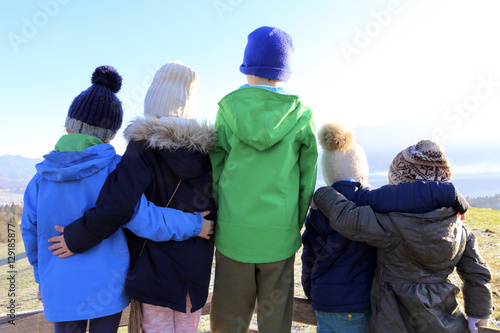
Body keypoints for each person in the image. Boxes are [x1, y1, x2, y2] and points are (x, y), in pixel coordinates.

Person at [21, 66, 212, 333]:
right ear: (110, 134)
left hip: (59, 287)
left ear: (68, 125)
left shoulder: (39, 180)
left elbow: (29, 233)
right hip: (106, 292)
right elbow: (142, 218)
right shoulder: (115, 169)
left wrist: (42, 278)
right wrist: (194, 225)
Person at [312, 139, 492, 333]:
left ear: (401, 186)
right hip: (446, 322)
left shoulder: (391, 225)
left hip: (395, 322)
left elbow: (348, 220)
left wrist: (324, 194)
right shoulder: (460, 229)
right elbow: (477, 274)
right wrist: (480, 313)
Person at [208, 26, 318, 333]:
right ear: (286, 71)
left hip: (233, 234)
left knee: (228, 320)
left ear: (246, 67)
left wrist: (221, 217)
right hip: (279, 237)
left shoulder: (227, 111)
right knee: (276, 323)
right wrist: (292, 225)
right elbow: (306, 182)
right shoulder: (302, 117)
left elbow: (214, 172)